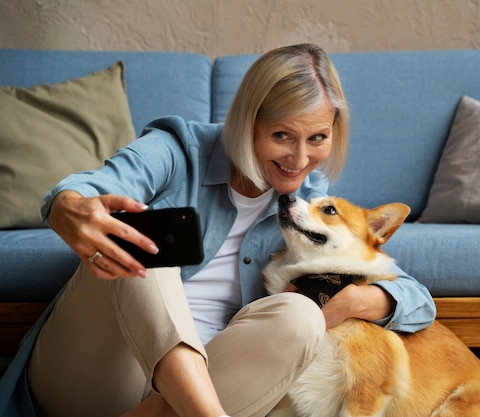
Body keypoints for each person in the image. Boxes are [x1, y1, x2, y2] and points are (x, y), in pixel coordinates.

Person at [0, 43, 436, 417]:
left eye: (318, 138)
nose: (299, 159)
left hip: (204, 386)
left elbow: (416, 298)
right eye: (282, 135)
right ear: (247, 122)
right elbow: (87, 188)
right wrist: (69, 207)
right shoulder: (178, 149)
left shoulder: (306, 203)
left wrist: (354, 299)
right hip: (95, 374)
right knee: (151, 241)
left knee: (301, 315)